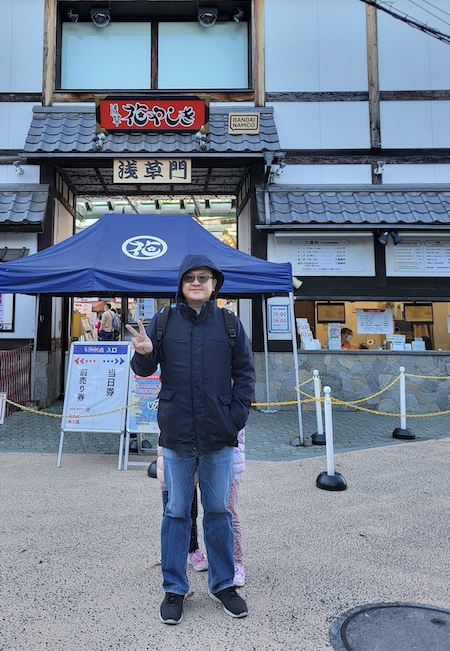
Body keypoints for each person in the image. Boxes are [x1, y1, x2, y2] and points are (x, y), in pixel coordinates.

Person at [128, 254, 254, 625]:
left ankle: (224, 584)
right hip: (178, 433)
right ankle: (174, 588)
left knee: (218, 511)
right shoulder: (163, 322)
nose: (197, 283)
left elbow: (245, 374)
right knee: (177, 512)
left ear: (215, 284)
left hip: (219, 434)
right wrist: (145, 355)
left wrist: (235, 417)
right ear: (181, 285)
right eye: (190, 278)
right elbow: (145, 369)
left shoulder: (230, 325)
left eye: (204, 277)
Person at [156, 426, 246, 585]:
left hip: (221, 449)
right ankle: (187, 552)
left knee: (223, 510)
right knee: (178, 509)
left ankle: (234, 561)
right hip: (178, 447)